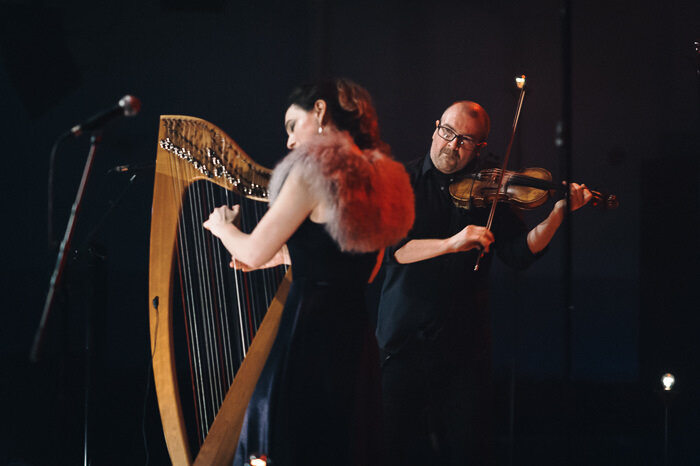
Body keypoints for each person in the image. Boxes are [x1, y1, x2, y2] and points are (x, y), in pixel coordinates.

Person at [202, 78, 414, 466]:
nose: (288, 142)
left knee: (293, 442)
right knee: (338, 443)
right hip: (353, 331)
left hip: (310, 329)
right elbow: (360, 265)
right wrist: (290, 257)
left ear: (318, 111)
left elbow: (251, 249)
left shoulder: (312, 170)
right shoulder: (378, 177)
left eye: (290, 125)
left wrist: (222, 227)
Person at [375, 101, 591, 465]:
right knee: (392, 450)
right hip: (402, 342)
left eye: (465, 141)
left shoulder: (493, 190)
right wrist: (453, 242)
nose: (452, 145)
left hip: (463, 347)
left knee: (468, 452)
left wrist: (557, 215)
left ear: (480, 148)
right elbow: (396, 250)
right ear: (435, 128)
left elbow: (520, 254)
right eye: (447, 132)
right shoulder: (401, 181)